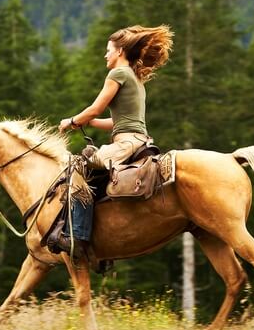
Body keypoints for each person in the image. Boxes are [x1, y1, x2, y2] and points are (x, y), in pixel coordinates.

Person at [54, 24, 174, 256]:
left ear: (119, 51)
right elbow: (118, 121)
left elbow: (95, 107)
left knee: (76, 166)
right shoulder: (136, 79)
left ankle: (77, 236)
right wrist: (90, 122)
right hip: (138, 140)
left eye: (108, 50)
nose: (105, 55)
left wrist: (71, 121)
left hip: (126, 144)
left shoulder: (117, 73)